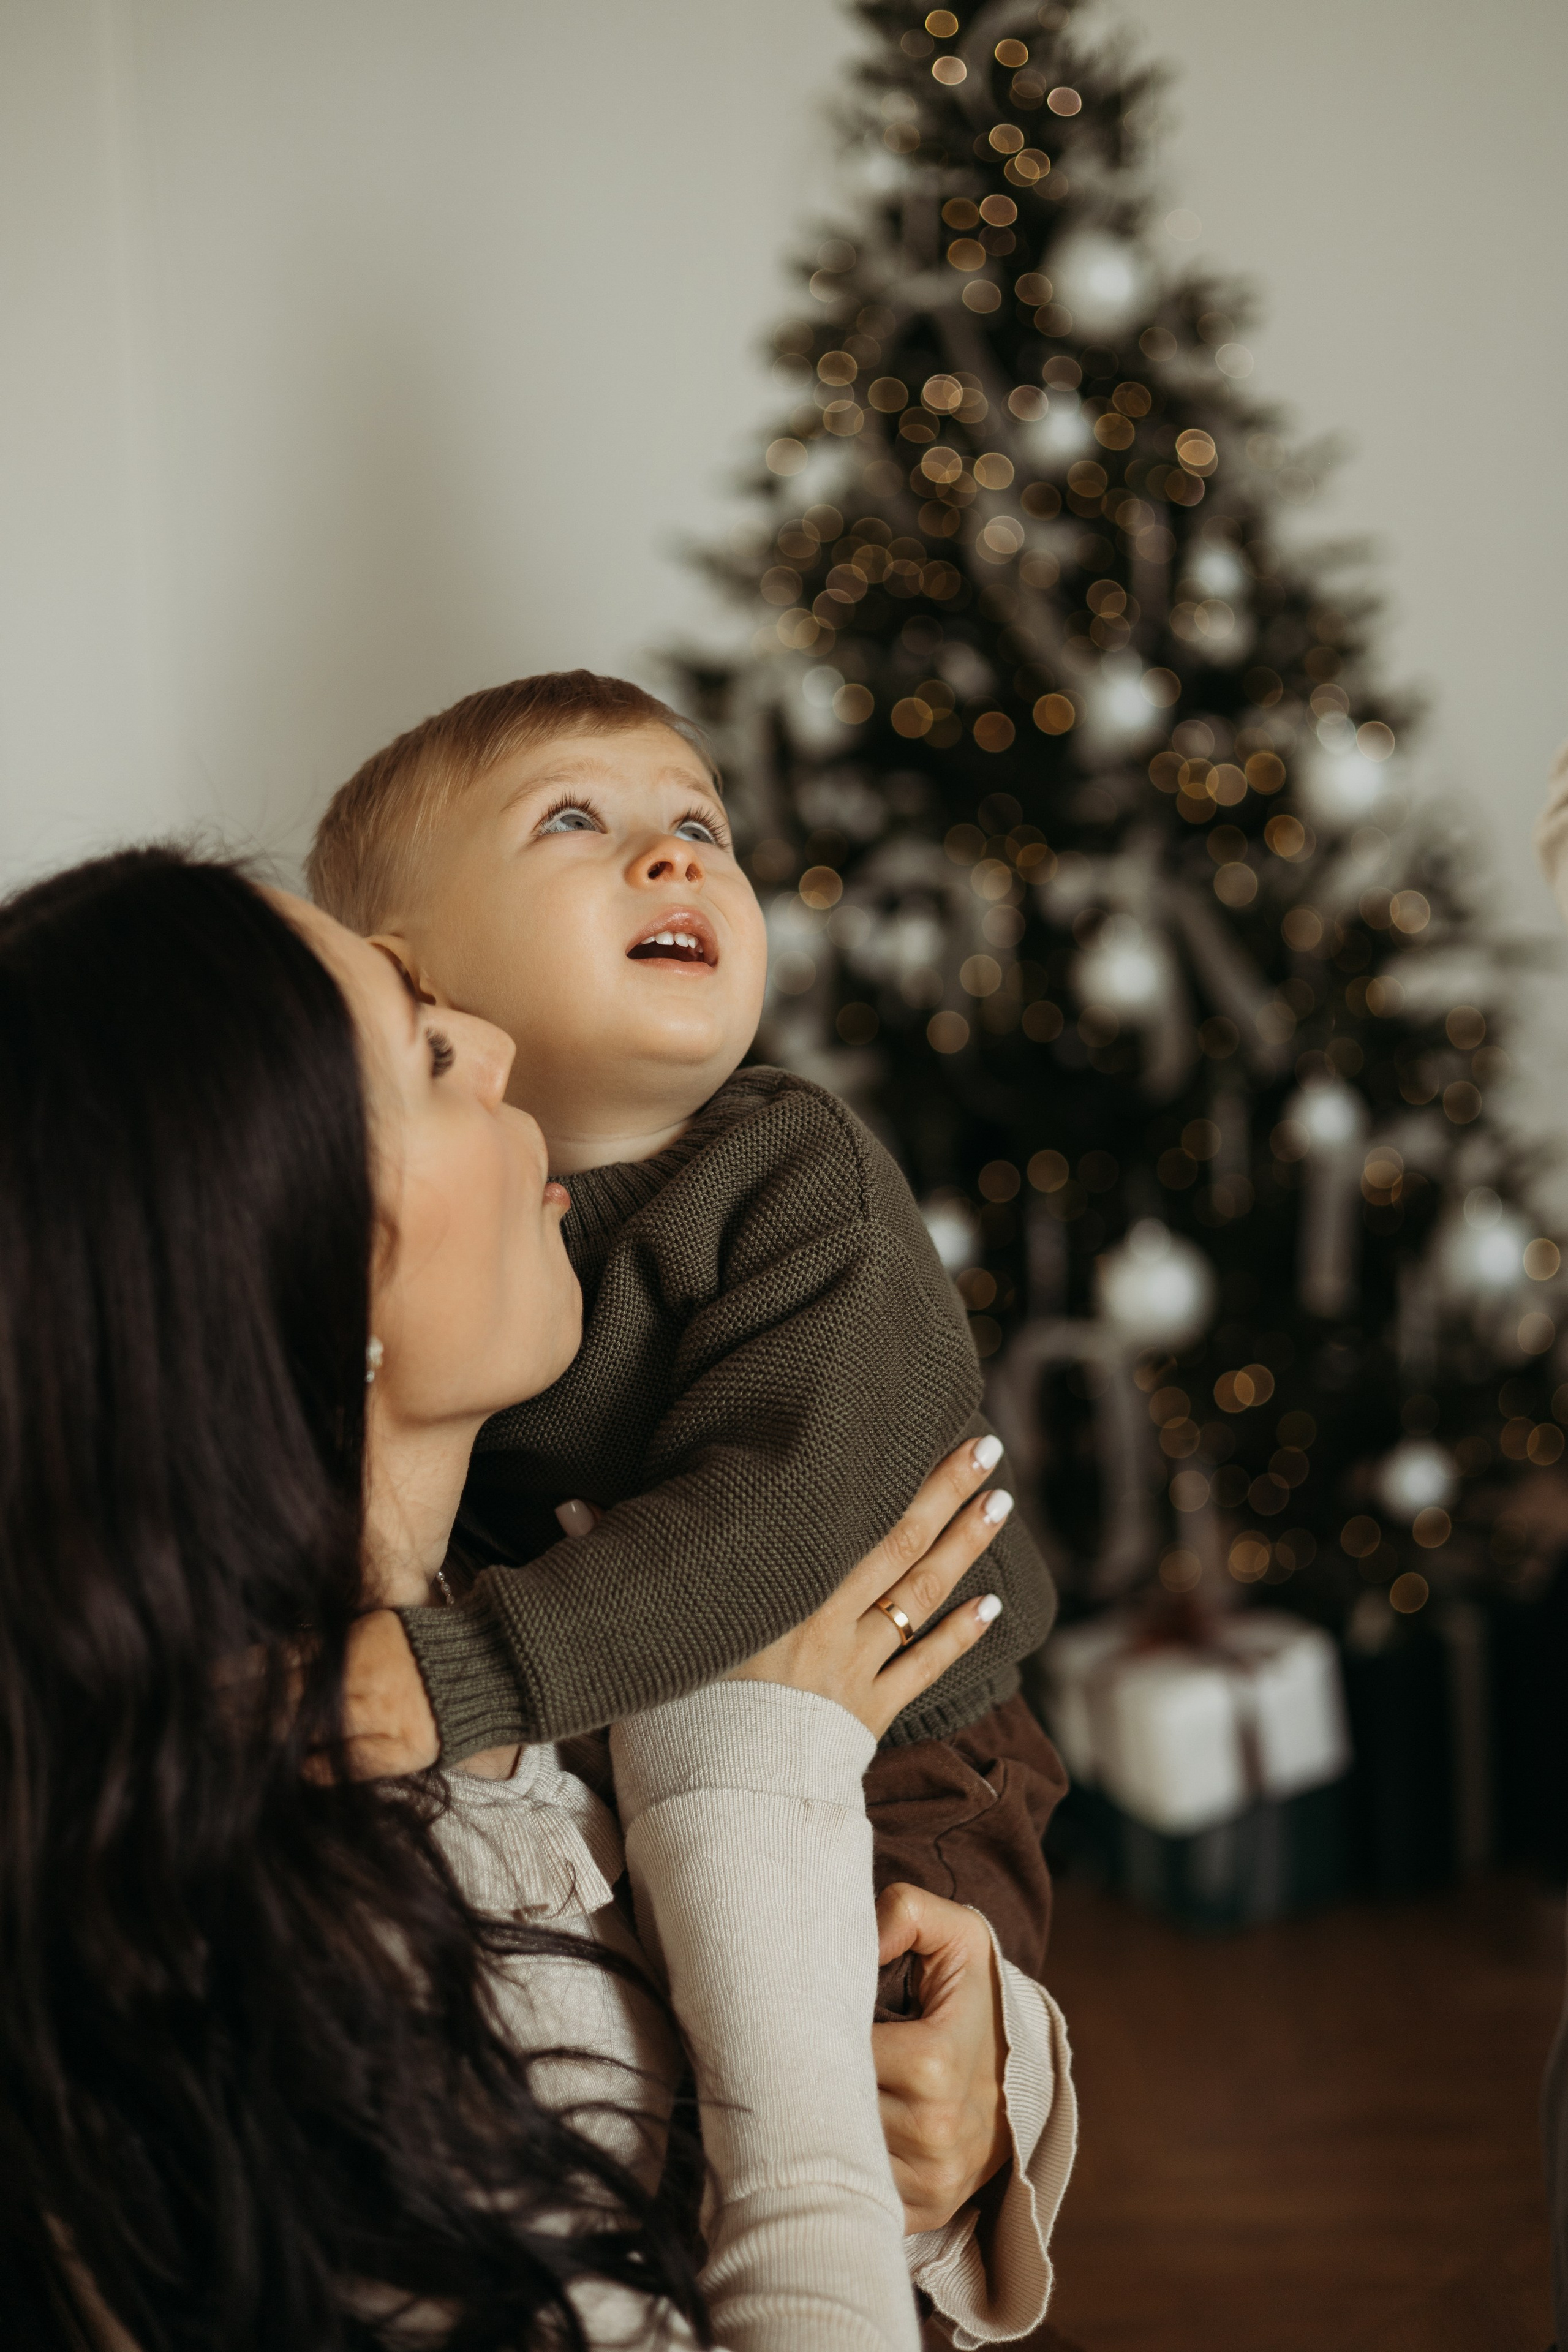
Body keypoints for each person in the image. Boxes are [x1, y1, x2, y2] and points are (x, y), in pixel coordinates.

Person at [0, 845, 1077, 2349]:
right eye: (433, 1055)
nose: (502, 1046)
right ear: (314, 1273)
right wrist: (748, 1791)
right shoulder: (304, 1953)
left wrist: (969, 2092)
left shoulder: (557, 1583)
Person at [306, 671, 1069, 2017]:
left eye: (701, 826)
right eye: (572, 819)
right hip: (599, 1729)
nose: (672, 855)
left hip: (903, 1752)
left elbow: (782, 1518)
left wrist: (452, 1677)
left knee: (870, 2046)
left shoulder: (798, 1173)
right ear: (407, 977)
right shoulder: (418, 1243)